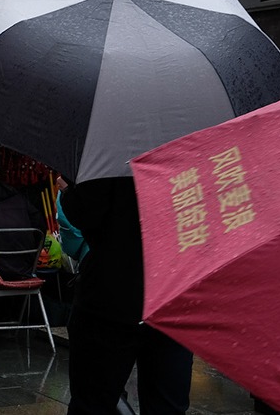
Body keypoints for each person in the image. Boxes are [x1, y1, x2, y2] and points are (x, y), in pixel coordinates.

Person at [61, 177, 193, 415]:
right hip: (175, 293)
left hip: (111, 293)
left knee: (93, 403)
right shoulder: (195, 151)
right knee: (167, 405)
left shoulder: (109, 156)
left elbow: (85, 215)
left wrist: (70, 190)